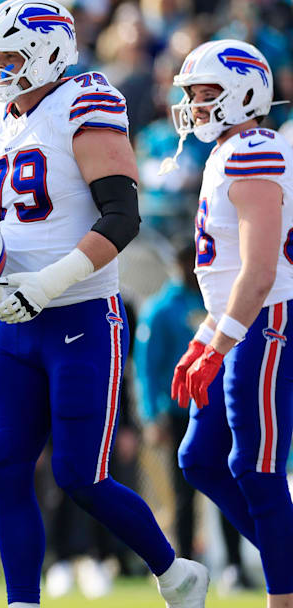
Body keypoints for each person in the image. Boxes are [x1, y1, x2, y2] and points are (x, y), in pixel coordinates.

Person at [0, 1, 208, 606]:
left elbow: (123, 217)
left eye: (7, 55)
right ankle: (23, 599)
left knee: (81, 477)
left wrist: (47, 284)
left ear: (50, 51)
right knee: (3, 469)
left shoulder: (86, 101)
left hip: (78, 316)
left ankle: (175, 573)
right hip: (14, 325)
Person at [167, 39, 293, 606]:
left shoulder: (255, 147)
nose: (194, 105)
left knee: (256, 467)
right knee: (199, 458)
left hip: (268, 321)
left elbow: (261, 271)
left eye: (207, 92)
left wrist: (218, 344)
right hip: (241, 321)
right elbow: (228, 271)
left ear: (247, 91)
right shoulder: (226, 148)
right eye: (191, 94)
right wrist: (203, 339)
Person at [136, 243, 251, 589]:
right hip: (180, 412)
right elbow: (147, 368)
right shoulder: (161, 309)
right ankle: (185, 563)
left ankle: (233, 565)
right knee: (184, 494)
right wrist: (151, 414)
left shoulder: (211, 303)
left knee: (228, 487)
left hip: (220, 408)